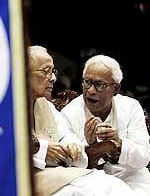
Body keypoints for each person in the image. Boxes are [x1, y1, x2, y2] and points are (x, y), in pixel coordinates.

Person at [28, 46, 136, 196]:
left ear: (116, 88)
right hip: (26, 176)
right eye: (46, 71)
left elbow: (65, 134)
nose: (53, 78)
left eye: (53, 71)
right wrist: (44, 149)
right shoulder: (6, 108)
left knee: (113, 186)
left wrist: (73, 145)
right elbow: (8, 143)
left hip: (60, 172)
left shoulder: (46, 105)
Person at [60, 54, 150, 196]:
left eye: (99, 85)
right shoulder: (68, 113)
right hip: (89, 180)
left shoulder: (131, 107)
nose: (90, 90)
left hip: (132, 177)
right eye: (87, 82)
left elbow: (143, 158)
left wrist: (119, 143)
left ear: (116, 89)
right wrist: (91, 147)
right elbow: (68, 163)